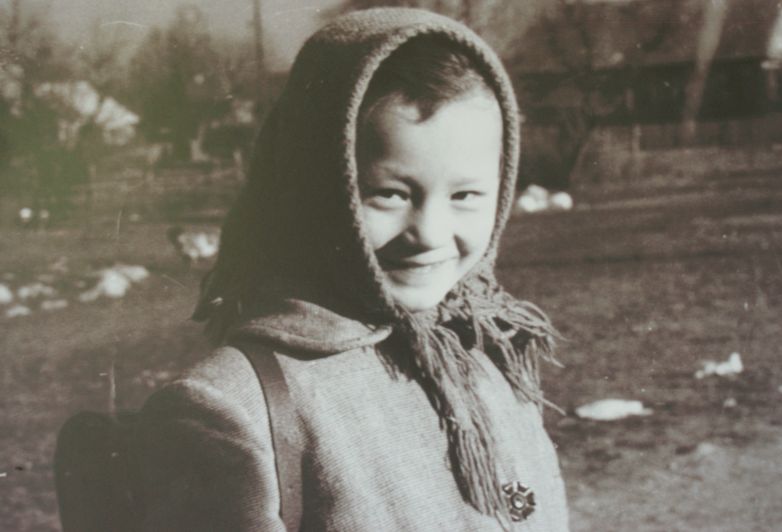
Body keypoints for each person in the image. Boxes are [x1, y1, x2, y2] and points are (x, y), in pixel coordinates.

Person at [133, 7, 569, 531]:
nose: (430, 234)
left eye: (465, 196)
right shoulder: (236, 405)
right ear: (315, 184)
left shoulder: (489, 353)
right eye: (390, 193)